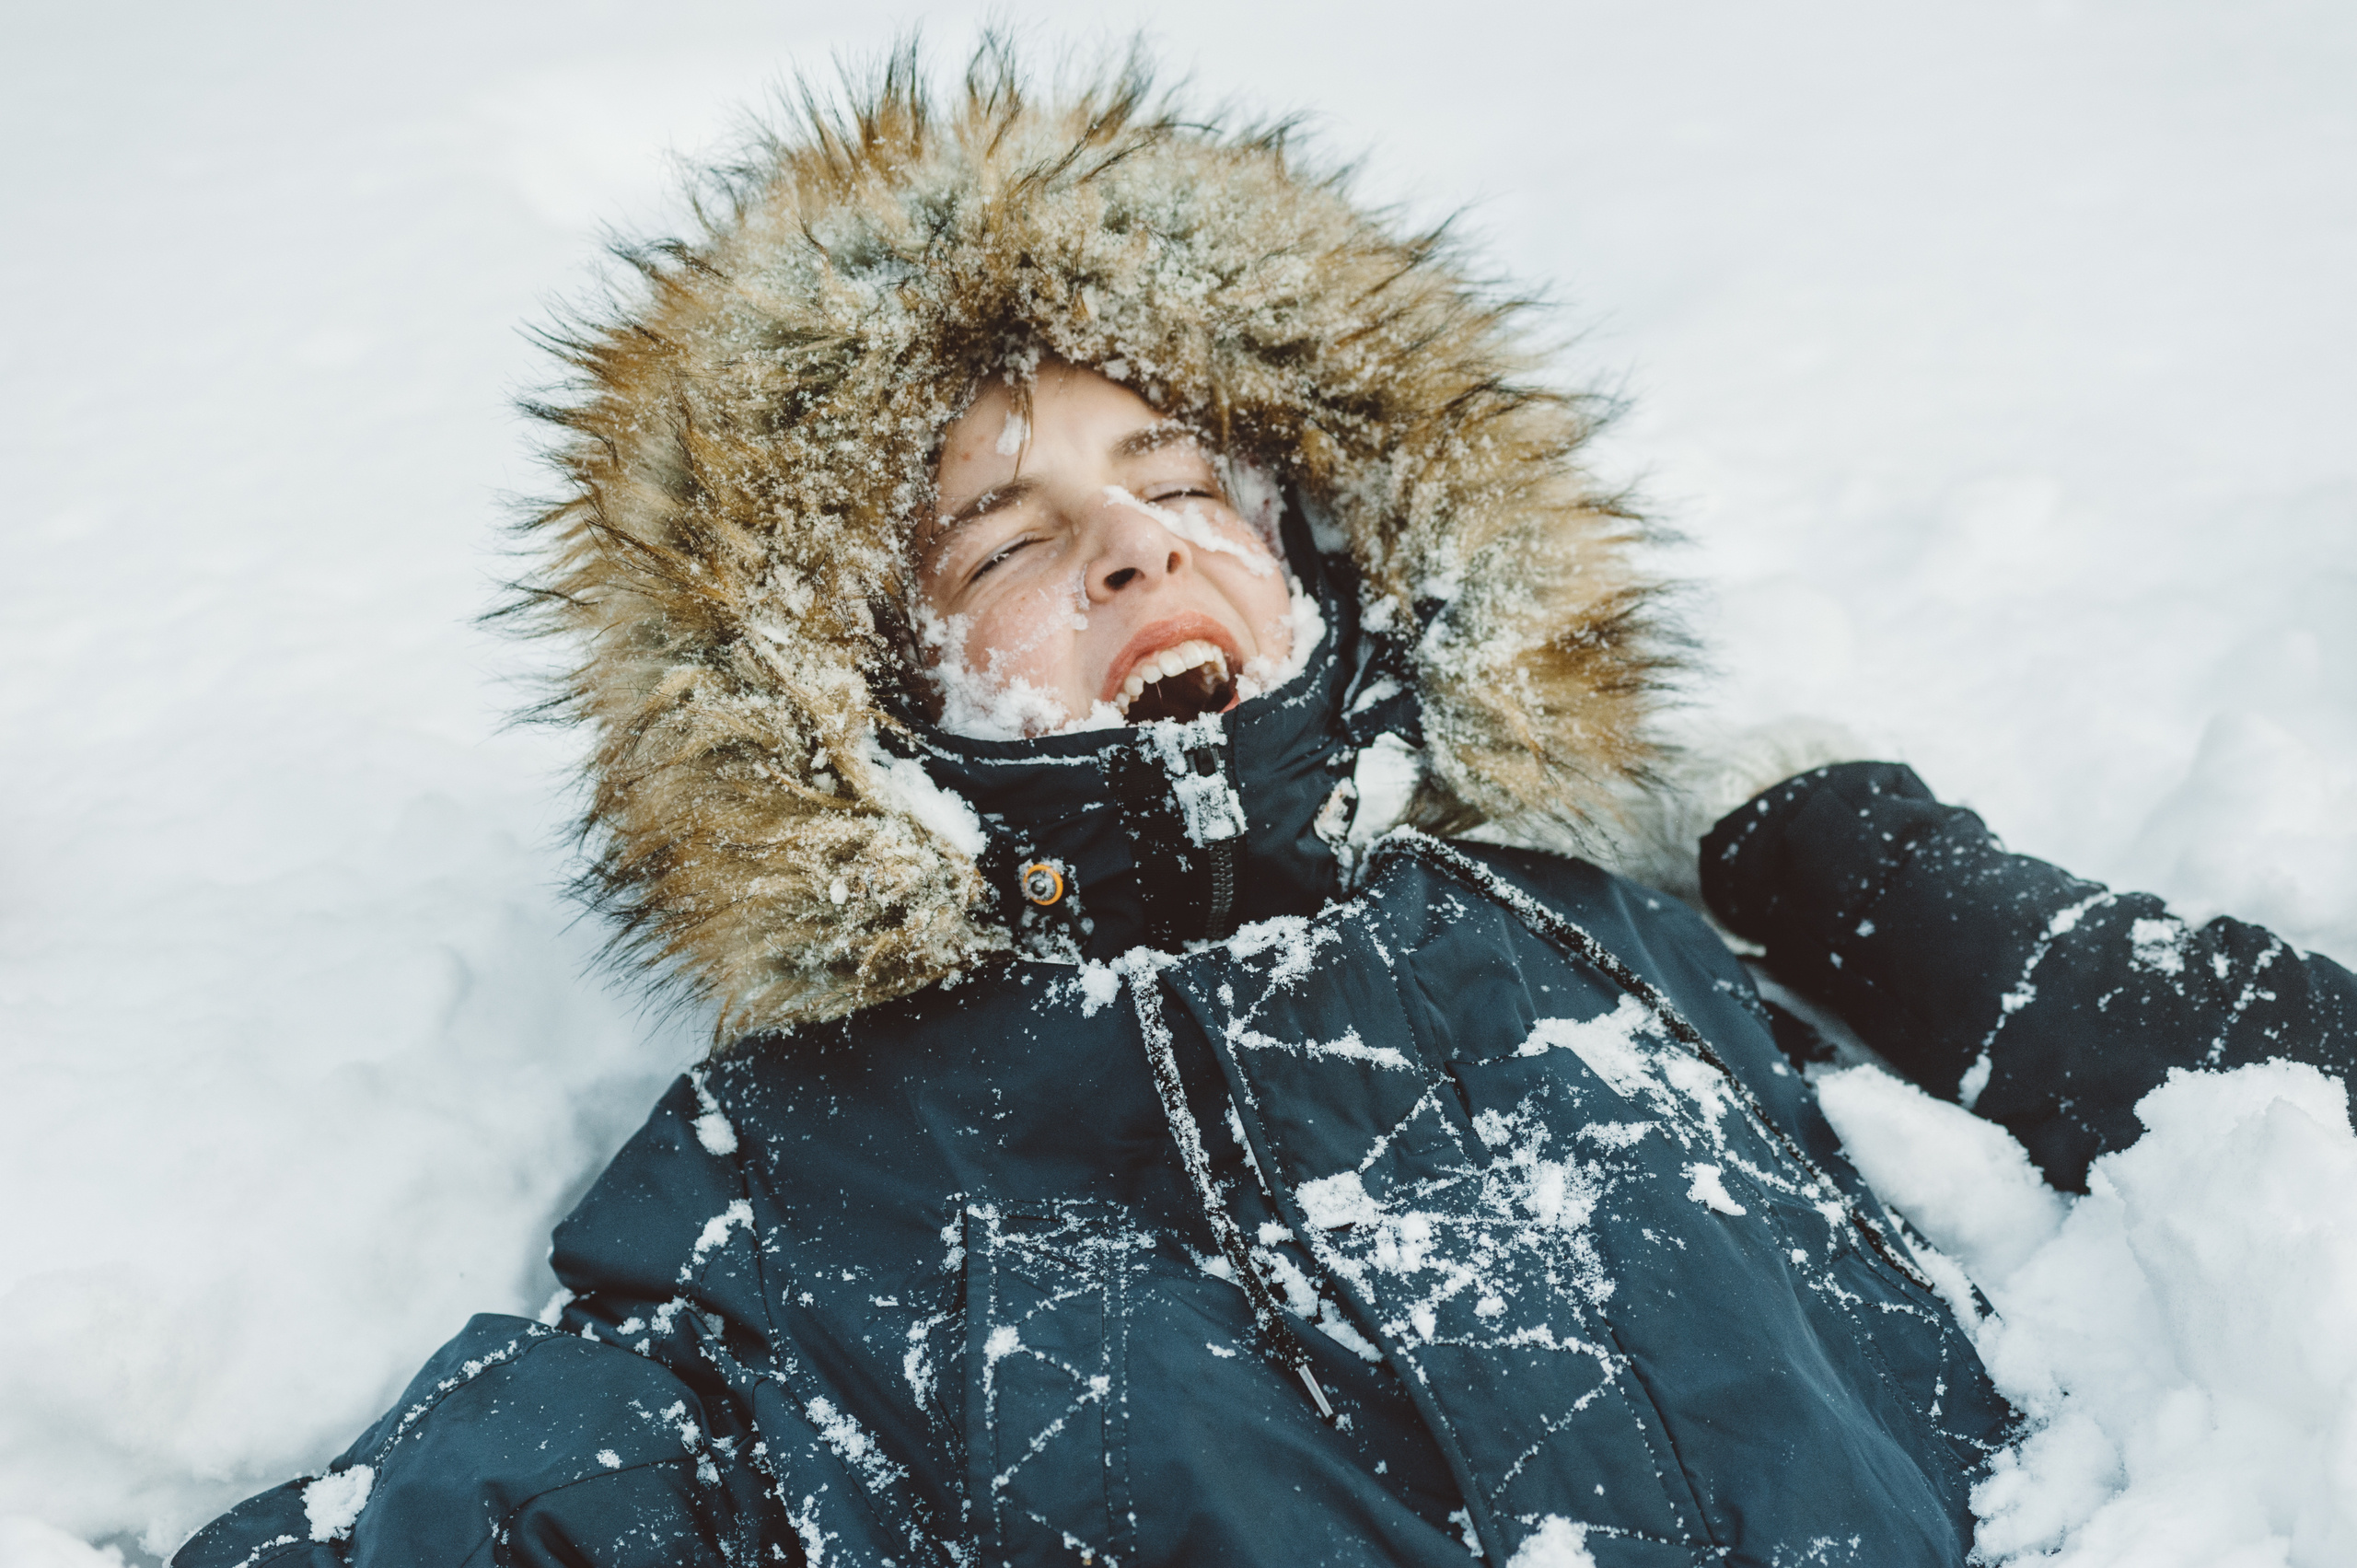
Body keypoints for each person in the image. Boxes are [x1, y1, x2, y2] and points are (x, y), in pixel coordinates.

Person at [173, 51, 2357, 1568]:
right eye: (1000, 543)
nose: (1130, 551)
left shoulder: (1621, 950)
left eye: (1182, 485)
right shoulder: (825, 1161)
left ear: (1324, 558)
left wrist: (1872, 876)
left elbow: (2281, 1171)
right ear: (852, 688)